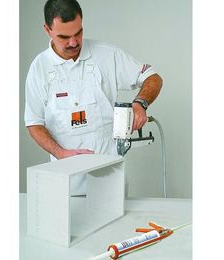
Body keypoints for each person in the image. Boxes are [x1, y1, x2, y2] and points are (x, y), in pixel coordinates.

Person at [24, 0, 163, 194]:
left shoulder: (106, 55)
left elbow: (153, 78)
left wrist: (140, 103)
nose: (73, 42)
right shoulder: (39, 68)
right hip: (65, 183)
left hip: (110, 178)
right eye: (64, 37)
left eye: (78, 33)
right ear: (47, 29)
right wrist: (60, 153)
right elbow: (34, 123)